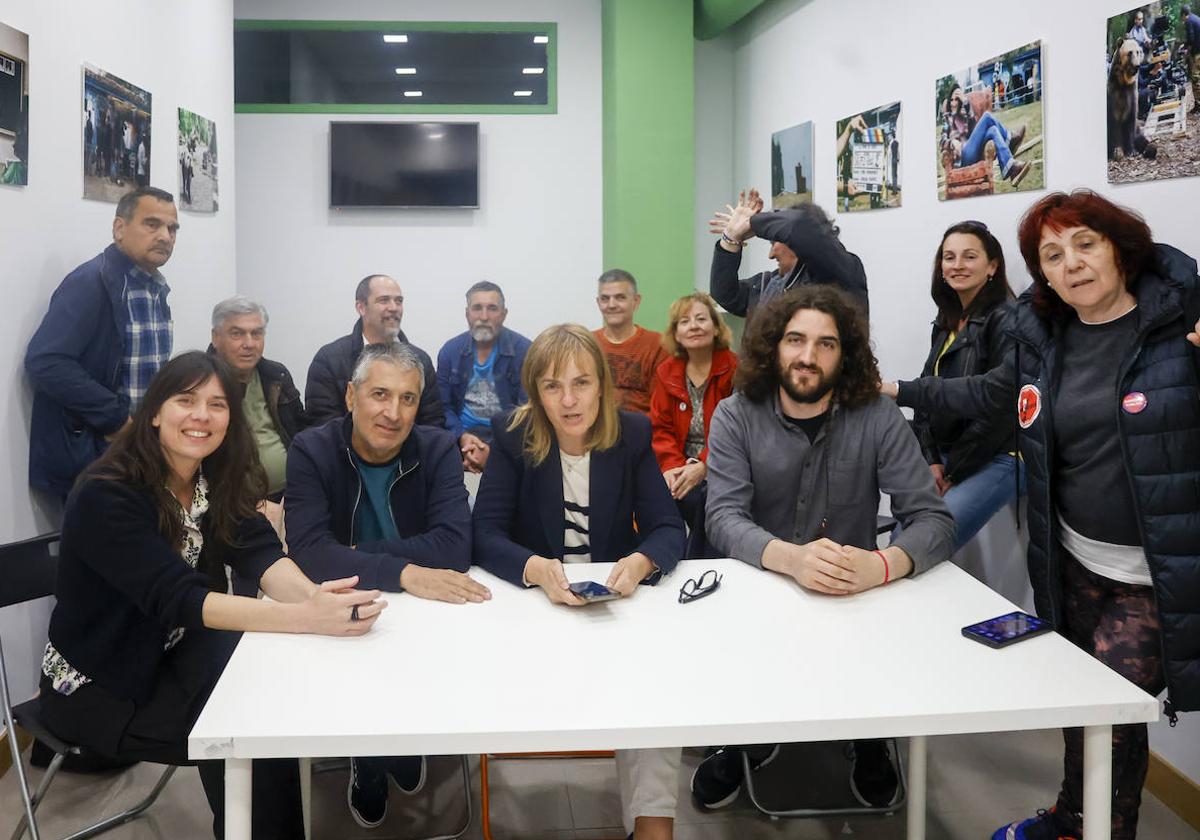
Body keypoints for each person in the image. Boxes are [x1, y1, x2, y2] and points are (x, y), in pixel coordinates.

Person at [883, 190, 1200, 840]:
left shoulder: (1179, 333)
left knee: (1109, 716)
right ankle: (1072, 817)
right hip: (1073, 561)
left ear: (1120, 249)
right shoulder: (1046, 339)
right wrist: (893, 389)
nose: (1071, 264)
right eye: (1052, 255)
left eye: (1085, 243)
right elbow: (990, 392)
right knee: (1081, 705)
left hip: (1152, 576)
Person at [36, 351, 386, 840]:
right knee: (257, 728)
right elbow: (179, 598)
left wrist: (313, 599)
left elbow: (259, 552)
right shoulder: (106, 493)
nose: (202, 415)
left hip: (175, 646)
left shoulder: (211, 476)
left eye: (217, 404)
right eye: (186, 400)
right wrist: (308, 617)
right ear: (155, 411)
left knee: (274, 695)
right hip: (103, 682)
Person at [695, 286, 954, 812]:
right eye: (795, 340)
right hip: (761, 584)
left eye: (825, 344)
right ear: (774, 346)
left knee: (881, 646)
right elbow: (722, 517)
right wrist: (791, 558)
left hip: (852, 591)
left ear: (846, 354)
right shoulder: (735, 415)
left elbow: (933, 521)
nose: (807, 357)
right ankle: (745, 735)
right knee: (742, 664)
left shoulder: (877, 417)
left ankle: (869, 735)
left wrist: (882, 565)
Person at [472, 324, 686, 840]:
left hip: (611, 606)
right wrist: (535, 568)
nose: (568, 401)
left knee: (654, 685)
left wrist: (639, 563)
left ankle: (653, 827)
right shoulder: (511, 433)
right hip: (532, 611)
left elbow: (667, 528)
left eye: (581, 383)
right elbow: (483, 533)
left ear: (602, 386)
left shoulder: (631, 433)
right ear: (535, 392)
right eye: (551, 386)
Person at [285, 341, 488, 829]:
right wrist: (402, 572)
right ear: (351, 396)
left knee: (424, 668)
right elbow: (309, 552)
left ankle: (404, 737)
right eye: (379, 394)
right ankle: (367, 757)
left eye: (408, 399)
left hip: (423, 608)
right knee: (352, 668)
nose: (393, 413)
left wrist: (355, 556)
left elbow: (455, 547)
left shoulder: (437, 447)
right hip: (348, 603)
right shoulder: (311, 449)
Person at [25, 186, 179, 499]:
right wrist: (116, 418)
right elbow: (46, 360)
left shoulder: (155, 288)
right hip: (97, 455)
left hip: (142, 453)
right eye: (152, 224)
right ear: (119, 228)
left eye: (172, 228)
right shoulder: (91, 283)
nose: (165, 235)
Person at [909, 221, 1021, 551]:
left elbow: (999, 410)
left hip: (1000, 453)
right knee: (905, 532)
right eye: (949, 257)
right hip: (949, 456)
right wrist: (931, 459)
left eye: (969, 256)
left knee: (922, 543)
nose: (957, 265)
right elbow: (927, 391)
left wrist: (953, 471)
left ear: (992, 266)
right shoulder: (945, 320)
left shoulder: (1008, 319)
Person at [649, 292, 737, 559]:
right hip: (678, 463)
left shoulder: (735, 369)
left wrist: (703, 467)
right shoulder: (667, 371)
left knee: (704, 498)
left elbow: (736, 434)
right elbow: (660, 428)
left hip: (723, 462)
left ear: (715, 326)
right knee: (659, 493)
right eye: (684, 321)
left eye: (701, 318)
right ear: (676, 333)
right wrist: (672, 468)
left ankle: (698, 561)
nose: (694, 326)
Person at [305, 274, 443, 428]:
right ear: (361, 307)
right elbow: (323, 426)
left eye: (399, 301)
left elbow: (433, 423)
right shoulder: (329, 360)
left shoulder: (420, 360)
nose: (394, 308)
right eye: (384, 300)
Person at [708, 189, 869, 319]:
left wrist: (752, 222)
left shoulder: (840, 273)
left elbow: (798, 225)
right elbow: (725, 293)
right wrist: (731, 236)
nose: (770, 255)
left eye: (774, 242)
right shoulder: (771, 283)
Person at [208, 295, 309, 501]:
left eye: (257, 334)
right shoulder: (202, 381)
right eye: (237, 334)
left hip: (290, 494)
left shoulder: (276, 375)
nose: (249, 343)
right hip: (231, 500)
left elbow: (301, 428)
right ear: (216, 337)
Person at [436, 281, 532, 473]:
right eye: (477, 308)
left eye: (492, 309)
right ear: (467, 313)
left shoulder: (525, 351)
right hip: (460, 440)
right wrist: (462, 438)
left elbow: (526, 411)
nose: (484, 317)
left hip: (508, 441)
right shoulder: (450, 351)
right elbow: (443, 408)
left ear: (504, 314)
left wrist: (492, 449)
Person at [592, 269, 670, 415]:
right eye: (605, 298)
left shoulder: (658, 345)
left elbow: (662, 406)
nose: (612, 304)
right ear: (598, 303)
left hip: (642, 431)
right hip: (595, 430)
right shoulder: (587, 344)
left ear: (636, 301)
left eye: (620, 297)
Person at [939, 85, 1031, 186]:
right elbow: (942, 142)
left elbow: (975, 129)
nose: (953, 103)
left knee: (993, 130)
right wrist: (951, 143)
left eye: (957, 99)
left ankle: (1011, 169)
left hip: (973, 152)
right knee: (987, 116)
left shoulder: (965, 116)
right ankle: (1010, 140)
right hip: (962, 158)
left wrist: (965, 101)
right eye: (951, 100)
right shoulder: (948, 120)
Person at [1183, 5, 1200, 114]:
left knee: (1195, 79)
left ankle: (1198, 105)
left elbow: (1191, 38)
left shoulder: (1188, 21)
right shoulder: (1197, 18)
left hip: (1197, 54)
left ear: (1184, 15)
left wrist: (1186, 50)